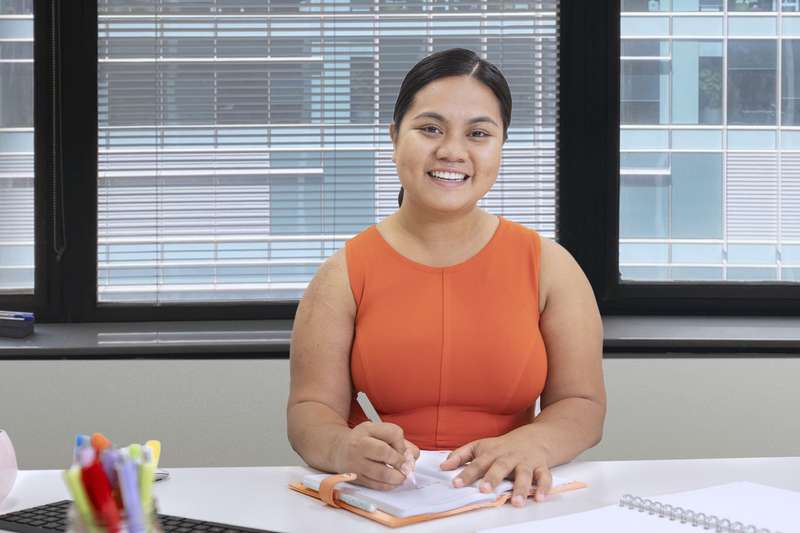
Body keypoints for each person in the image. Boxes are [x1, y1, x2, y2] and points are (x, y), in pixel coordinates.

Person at [287, 48, 605, 508]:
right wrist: (342, 447)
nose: (452, 151)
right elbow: (309, 412)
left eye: (478, 133)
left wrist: (536, 443)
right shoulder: (341, 274)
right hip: (382, 503)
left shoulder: (552, 267)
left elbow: (582, 403)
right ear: (395, 135)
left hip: (511, 502)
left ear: (500, 146)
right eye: (430, 128)